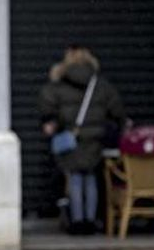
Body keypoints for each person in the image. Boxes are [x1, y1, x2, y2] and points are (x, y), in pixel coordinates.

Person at [39, 45, 128, 235]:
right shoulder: (100, 84)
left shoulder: (58, 85)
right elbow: (116, 110)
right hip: (94, 138)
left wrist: (53, 123)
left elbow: (48, 109)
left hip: (72, 139)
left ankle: (78, 222)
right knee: (91, 178)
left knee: (75, 178)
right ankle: (91, 220)